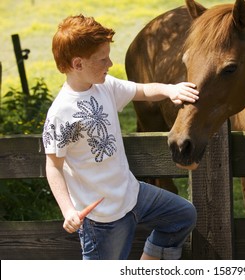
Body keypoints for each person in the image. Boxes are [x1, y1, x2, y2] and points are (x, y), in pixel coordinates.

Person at [42, 14, 199, 260]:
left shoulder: (104, 85)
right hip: (102, 219)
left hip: (132, 195)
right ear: (78, 64)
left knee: (182, 216)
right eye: (103, 59)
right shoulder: (62, 113)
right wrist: (68, 210)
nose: (110, 63)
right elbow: (54, 166)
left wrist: (170, 89)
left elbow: (142, 90)